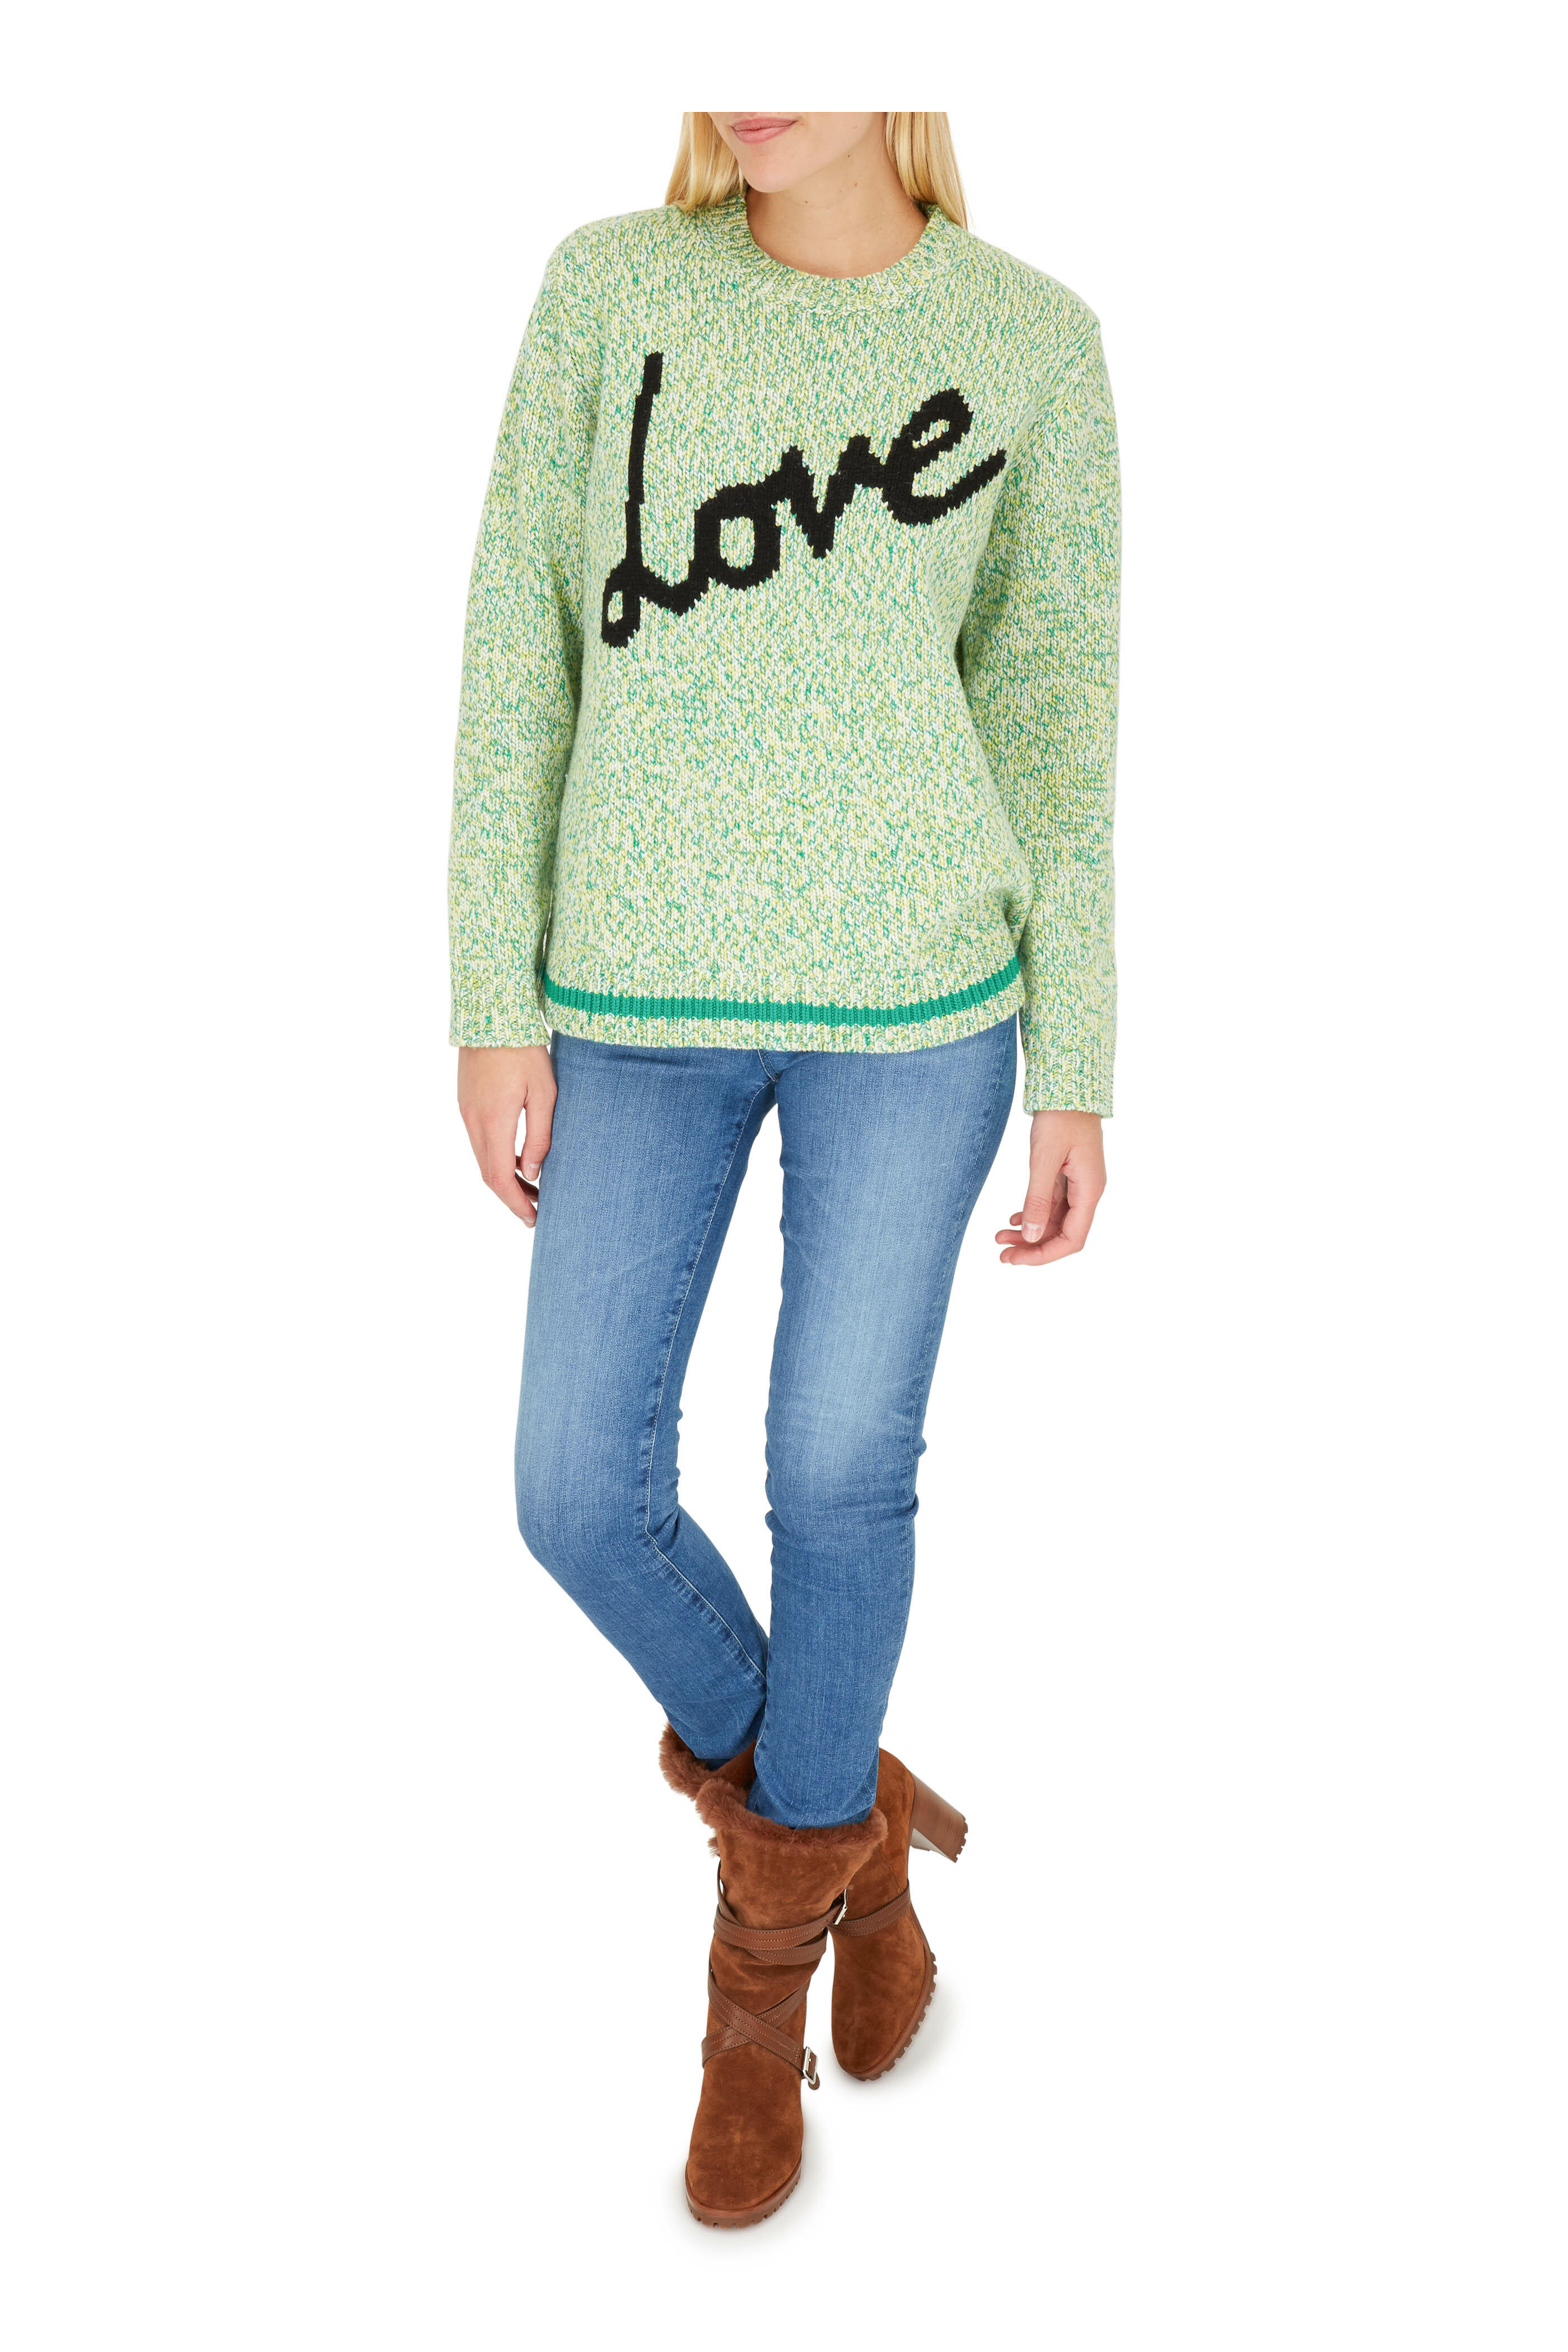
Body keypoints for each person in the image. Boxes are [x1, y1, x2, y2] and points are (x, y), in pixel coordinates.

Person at [450, 110, 1119, 2227]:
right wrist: (488, 993)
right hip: (625, 994)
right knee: (576, 1491)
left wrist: (1080, 1060)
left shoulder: (1031, 342)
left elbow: (1055, 730)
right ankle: (841, 1827)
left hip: (922, 1007)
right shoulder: (609, 290)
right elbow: (516, 651)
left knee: (838, 1472)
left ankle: (758, 2001)